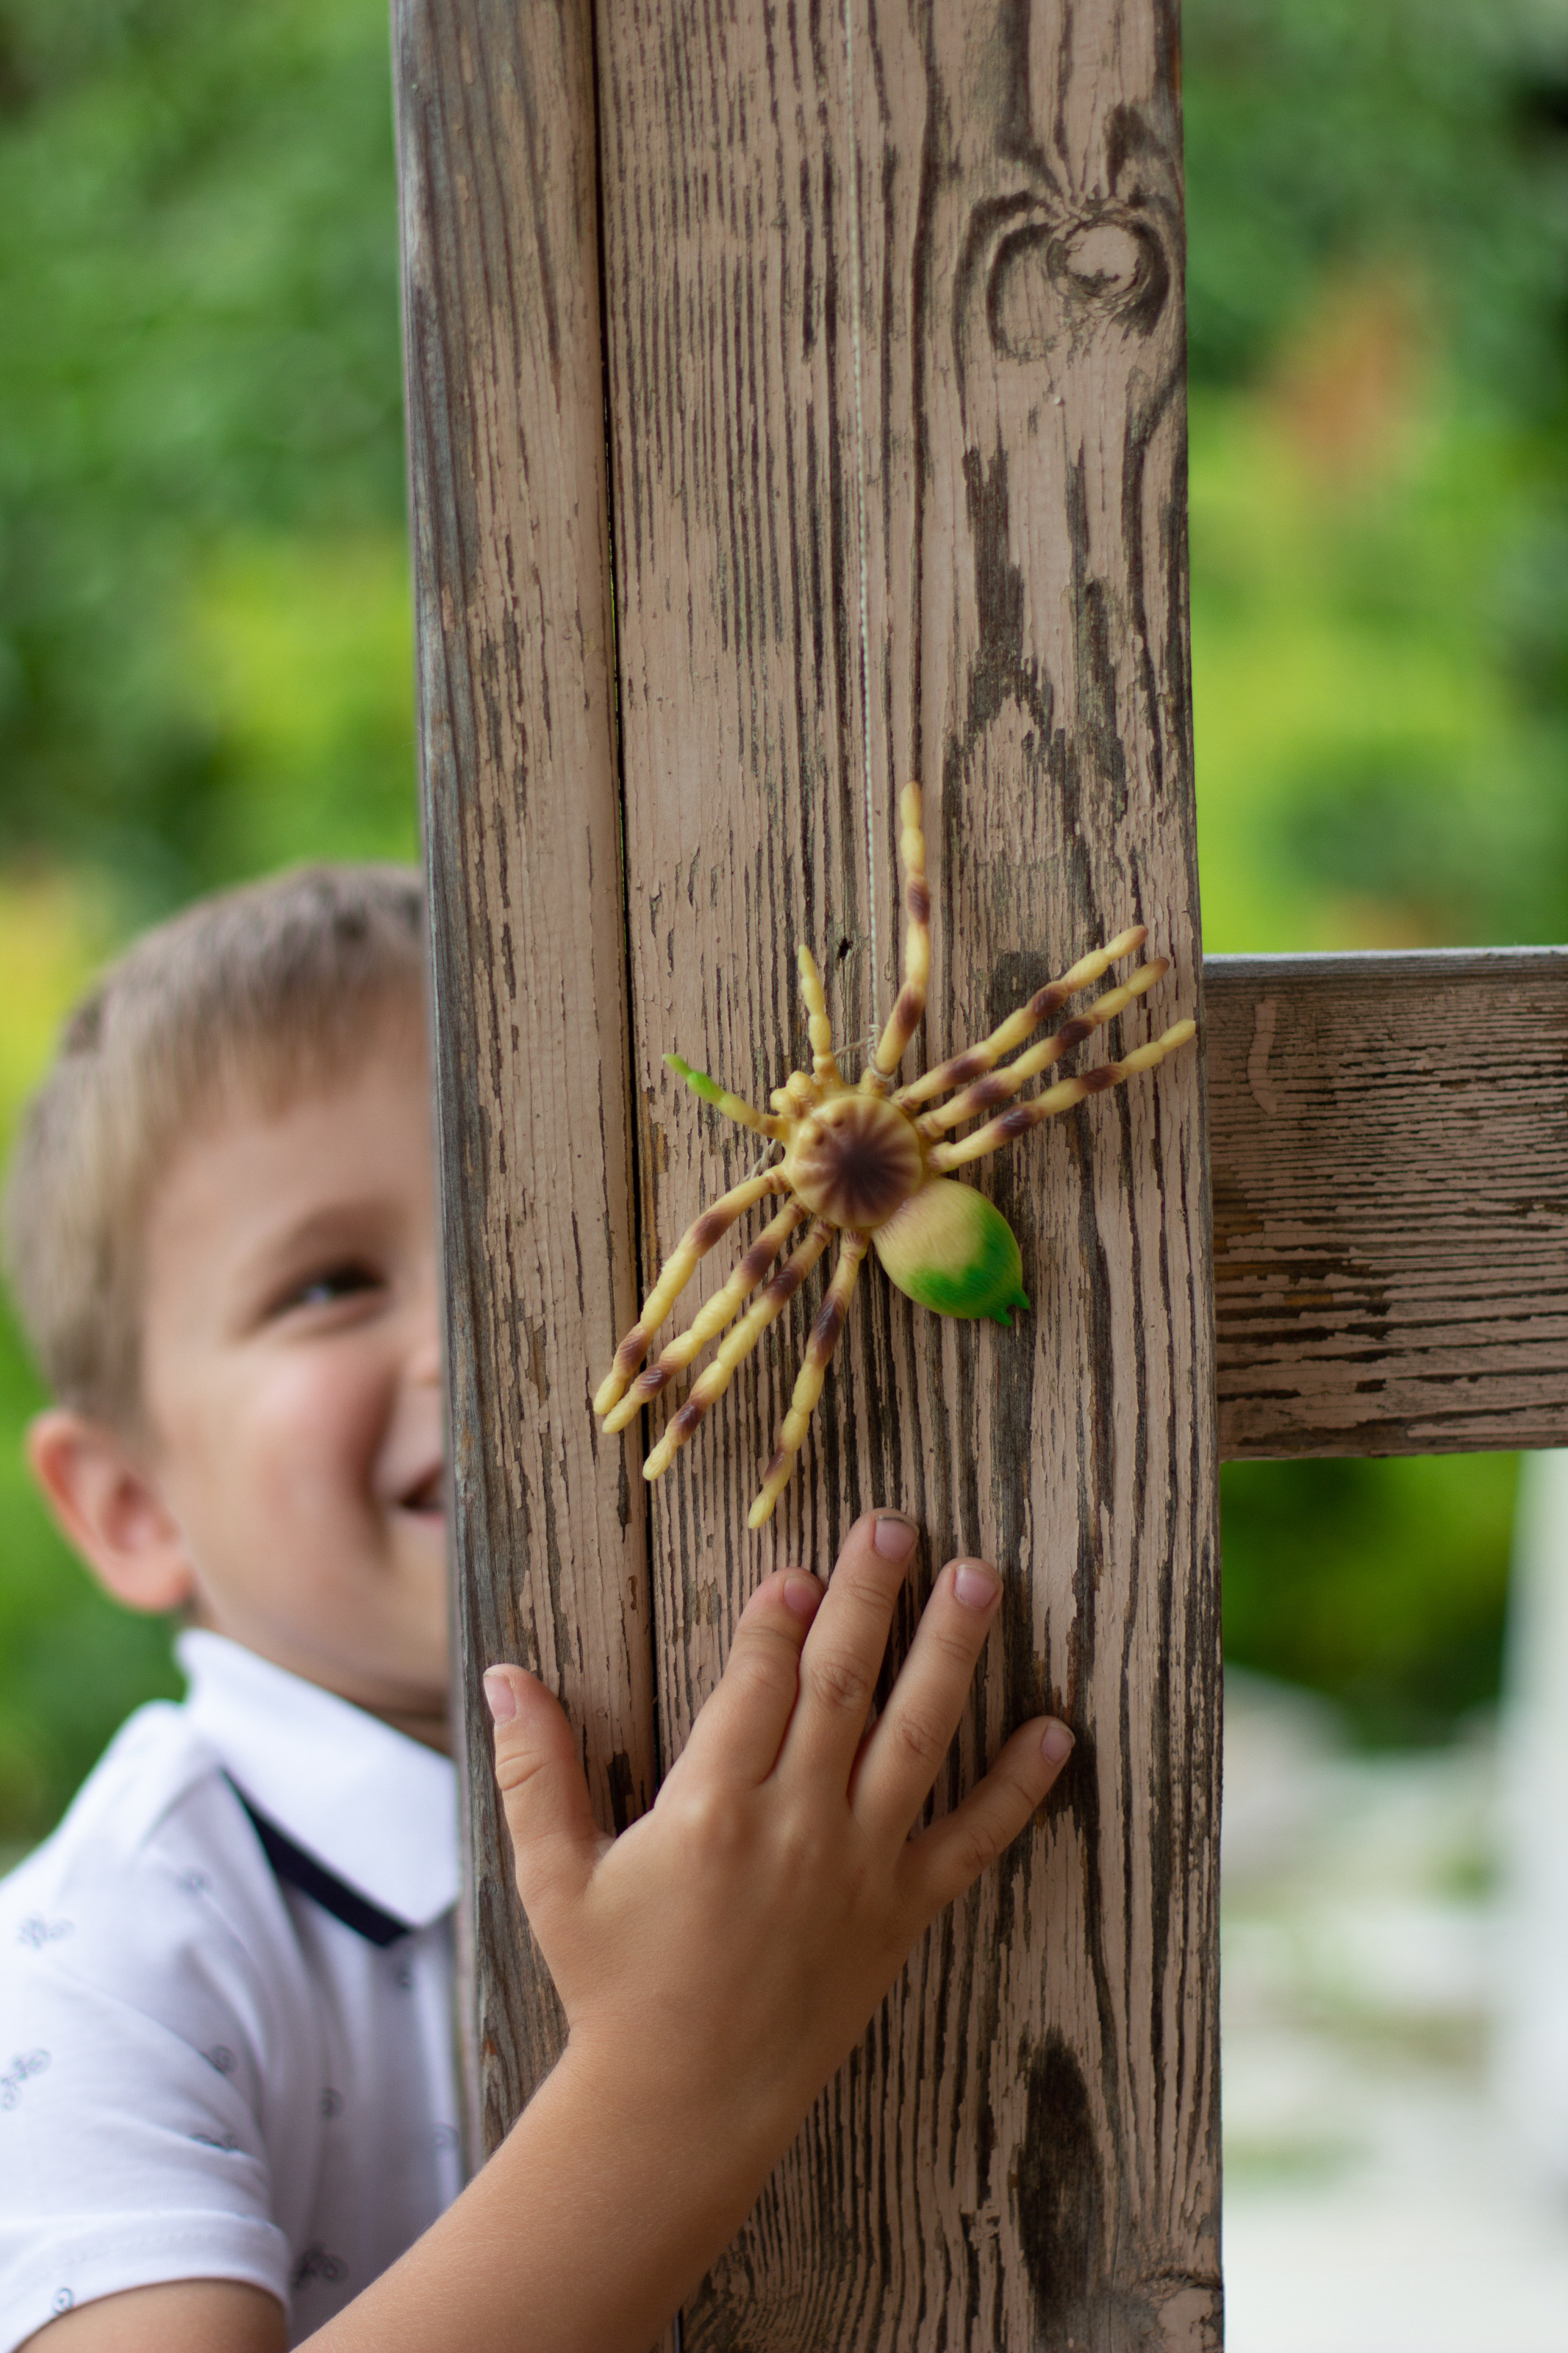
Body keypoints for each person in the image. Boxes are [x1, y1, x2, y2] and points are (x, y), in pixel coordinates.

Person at [0, 864, 1075, 2352]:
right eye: (325, 1284)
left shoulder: (780, 1793)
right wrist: (678, 2079)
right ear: (129, 1503)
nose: (470, 1331)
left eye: (518, 1232)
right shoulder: (104, 1956)